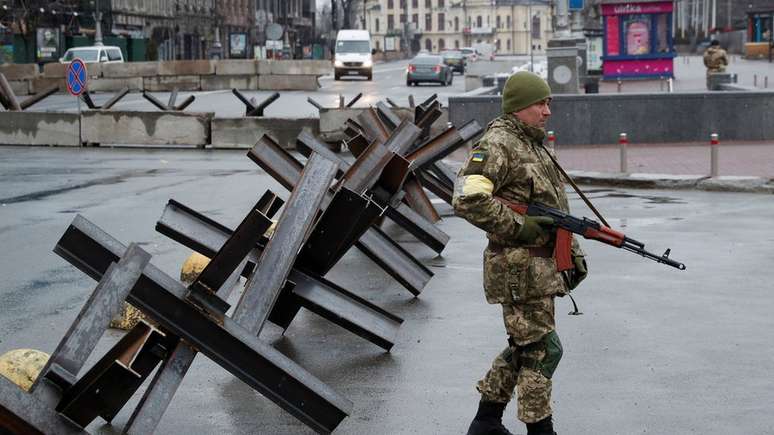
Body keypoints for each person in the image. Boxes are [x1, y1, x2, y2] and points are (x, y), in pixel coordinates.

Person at [453, 71, 588, 435]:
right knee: (543, 350)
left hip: (539, 268)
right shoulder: (497, 144)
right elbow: (466, 199)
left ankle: (485, 421)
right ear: (518, 107)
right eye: (540, 103)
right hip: (517, 269)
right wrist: (519, 227)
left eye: (549, 103)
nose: (547, 111)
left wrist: (570, 255)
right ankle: (539, 429)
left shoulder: (531, 143)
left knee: (525, 347)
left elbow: (551, 211)